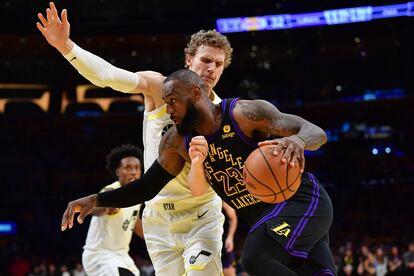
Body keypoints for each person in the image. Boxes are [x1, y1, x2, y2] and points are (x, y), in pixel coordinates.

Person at [60, 69, 336, 276]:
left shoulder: (244, 113)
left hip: (301, 201)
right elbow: (147, 187)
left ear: (194, 94)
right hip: (265, 217)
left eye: (172, 101)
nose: (168, 110)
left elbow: (316, 132)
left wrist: (298, 141)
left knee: (255, 258)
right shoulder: (176, 140)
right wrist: (96, 199)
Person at [37, 3, 231, 275]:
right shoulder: (158, 87)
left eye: (218, 64)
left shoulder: (224, 114)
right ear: (189, 60)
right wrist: (66, 46)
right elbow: (108, 76)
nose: (211, 68)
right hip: (158, 214)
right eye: (206, 60)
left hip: (201, 214)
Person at [82, 144, 144, 275]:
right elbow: (95, 208)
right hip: (99, 255)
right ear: (118, 172)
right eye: (128, 167)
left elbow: (134, 222)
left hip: (122, 257)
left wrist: (155, 236)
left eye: (137, 168)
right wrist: (107, 207)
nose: (133, 171)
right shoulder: (110, 191)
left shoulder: (137, 197)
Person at [221, 201, 237, 276]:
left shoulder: (221, 200)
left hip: (223, 240)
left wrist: (230, 237)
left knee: (228, 269)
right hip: (207, 240)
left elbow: (233, 218)